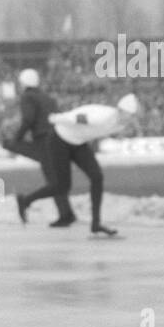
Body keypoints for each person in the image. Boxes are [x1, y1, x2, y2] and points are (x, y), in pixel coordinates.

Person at [38, 93, 139, 237]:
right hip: (61, 137)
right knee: (62, 184)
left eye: (132, 116)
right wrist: (57, 118)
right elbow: (77, 118)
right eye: (129, 115)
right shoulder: (102, 117)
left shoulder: (119, 125)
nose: (131, 119)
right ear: (120, 111)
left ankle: (96, 224)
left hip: (78, 142)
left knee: (97, 177)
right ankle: (25, 200)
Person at [9, 68, 71, 226]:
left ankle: (26, 201)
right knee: (57, 179)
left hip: (44, 142)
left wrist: (17, 139)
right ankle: (66, 214)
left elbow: (28, 119)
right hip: (57, 139)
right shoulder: (48, 98)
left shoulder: (27, 97)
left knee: (54, 180)